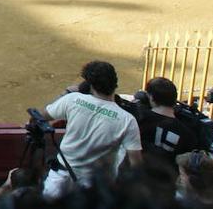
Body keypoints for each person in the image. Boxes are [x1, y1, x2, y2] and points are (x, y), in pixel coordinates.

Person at [41, 60, 142, 199]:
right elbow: (136, 164)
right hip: (96, 189)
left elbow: (42, 116)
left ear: (90, 84)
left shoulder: (73, 99)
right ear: (115, 82)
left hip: (60, 178)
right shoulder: (127, 120)